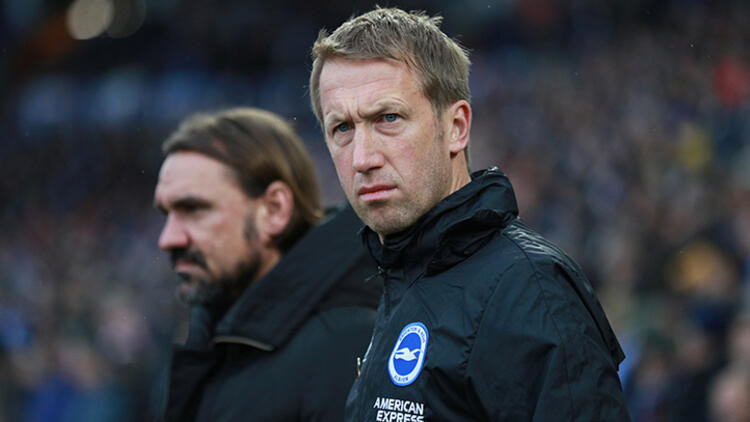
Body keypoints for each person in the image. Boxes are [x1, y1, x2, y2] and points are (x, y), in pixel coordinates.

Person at [309, 7, 630, 421]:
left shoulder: (531, 291)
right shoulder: (398, 277)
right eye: (342, 128)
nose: (361, 158)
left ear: (456, 127)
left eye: (388, 118)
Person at [153, 107, 380, 421]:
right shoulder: (212, 340)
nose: (168, 239)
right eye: (167, 214)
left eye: (193, 209)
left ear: (274, 209)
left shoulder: (344, 347)